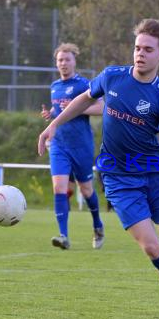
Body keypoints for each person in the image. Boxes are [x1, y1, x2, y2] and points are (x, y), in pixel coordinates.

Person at [37, 18, 159, 317]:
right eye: (136, 47)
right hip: (118, 179)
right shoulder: (113, 77)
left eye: (147, 49)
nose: (139, 54)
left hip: (154, 175)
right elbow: (83, 99)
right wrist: (53, 124)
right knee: (150, 247)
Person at [40, 42, 105, 250]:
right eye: (60, 60)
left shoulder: (84, 84)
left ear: (74, 61)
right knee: (59, 187)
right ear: (56, 63)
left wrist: (78, 109)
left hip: (81, 145)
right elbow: (59, 109)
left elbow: (102, 107)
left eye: (67, 59)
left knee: (86, 190)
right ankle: (63, 235)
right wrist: (51, 115)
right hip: (59, 145)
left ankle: (97, 225)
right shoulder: (54, 87)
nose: (64, 63)